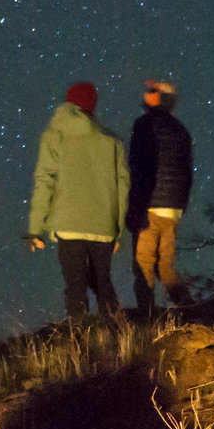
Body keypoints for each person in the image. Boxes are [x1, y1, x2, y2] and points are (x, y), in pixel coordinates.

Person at [25, 80, 130, 319]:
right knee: (104, 285)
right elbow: (122, 189)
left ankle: (80, 346)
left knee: (75, 289)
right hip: (103, 226)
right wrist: (119, 232)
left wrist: (35, 229)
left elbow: (45, 180)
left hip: (68, 224)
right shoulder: (112, 141)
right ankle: (118, 342)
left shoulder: (55, 136)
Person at [126, 78, 194, 314]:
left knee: (143, 265)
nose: (147, 93)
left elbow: (138, 168)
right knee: (165, 267)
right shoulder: (181, 130)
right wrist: (181, 205)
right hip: (172, 209)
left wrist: (134, 208)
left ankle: (147, 319)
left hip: (150, 207)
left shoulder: (145, 124)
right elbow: (187, 172)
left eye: (152, 91)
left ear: (161, 98)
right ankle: (190, 308)